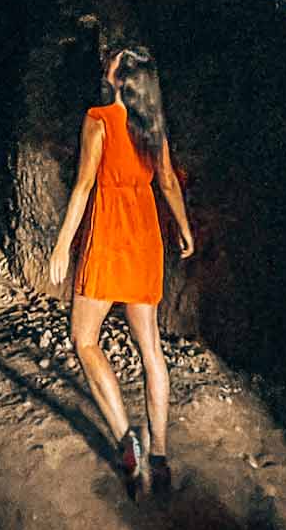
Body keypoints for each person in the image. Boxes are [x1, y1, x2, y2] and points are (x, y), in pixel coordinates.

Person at [46, 43, 195, 498]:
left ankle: (124, 435)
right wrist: (184, 228)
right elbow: (167, 180)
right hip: (145, 234)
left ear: (121, 78)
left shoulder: (99, 120)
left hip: (109, 234)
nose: (105, 68)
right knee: (151, 349)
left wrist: (62, 245)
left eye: (111, 65)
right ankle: (161, 454)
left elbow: (84, 184)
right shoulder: (153, 124)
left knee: (85, 339)